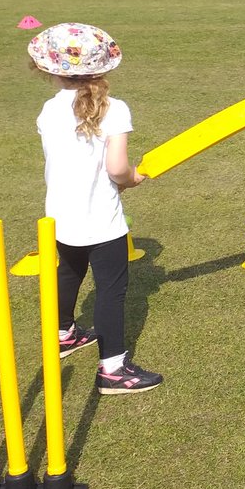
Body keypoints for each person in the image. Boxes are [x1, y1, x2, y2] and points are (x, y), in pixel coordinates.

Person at [27, 22, 162, 395]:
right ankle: (113, 369)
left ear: (49, 69)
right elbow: (117, 169)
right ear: (102, 68)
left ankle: (62, 334)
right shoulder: (113, 109)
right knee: (111, 290)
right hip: (101, 218)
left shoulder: (48, 109)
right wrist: (132, 178)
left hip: (59, 215)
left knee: (68, 274)